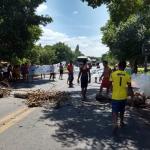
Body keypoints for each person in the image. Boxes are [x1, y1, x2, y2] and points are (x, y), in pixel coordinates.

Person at [109, 61, 133, 135]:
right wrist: (131, 95)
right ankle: (121, 122)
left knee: (115, 111)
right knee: (122, 110)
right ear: (125, 67)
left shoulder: (113, 74)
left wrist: (111, 89)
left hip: (115, 96)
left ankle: (115, 124)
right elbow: (129, 86)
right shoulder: (127, 75)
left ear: (118, 66)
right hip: (123, 96)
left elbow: (110, 84)